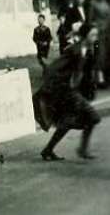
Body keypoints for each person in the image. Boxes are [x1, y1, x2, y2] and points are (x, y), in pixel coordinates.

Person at [36, 23, 102, 161]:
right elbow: (54, 68)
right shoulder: (74, 50)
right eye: (93, 35)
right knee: (93, 117)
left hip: (74, 92)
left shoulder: (88, 49)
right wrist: (54, 88)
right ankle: (82, 149)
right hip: (67, 91)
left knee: (68, 121)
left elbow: (91, 67)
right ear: (85, 36)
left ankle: (48, 150)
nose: (96, 37)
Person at [88, 0, 110, 87]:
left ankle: (105, 77)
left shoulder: (106, 5)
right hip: (97, 34)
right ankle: (96, 79)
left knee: (105, 55)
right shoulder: (93, 3)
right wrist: (96, 26)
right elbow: (90, 20)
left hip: (107, 33)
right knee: (98, 55)